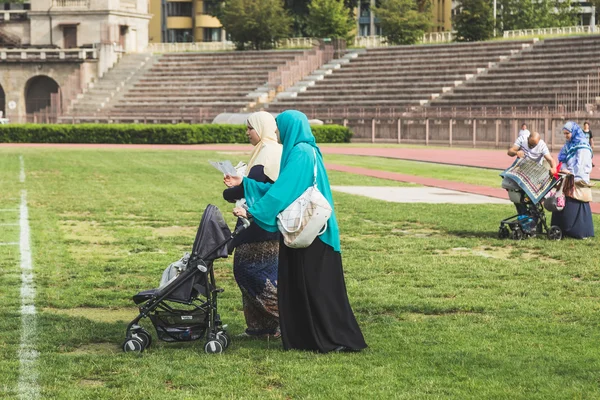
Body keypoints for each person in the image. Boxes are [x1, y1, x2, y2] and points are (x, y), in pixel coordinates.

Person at [225, 110, 367, 353]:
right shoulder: (305, 151)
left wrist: (253, 211)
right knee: (305, 286)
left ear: (290, 129)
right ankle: (310, 337)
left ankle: (333, 338)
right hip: (308, 233)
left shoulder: (301, 152)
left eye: (280, 129)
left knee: (318, 289)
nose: (278, 134)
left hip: (314, 235)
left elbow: (283, 190)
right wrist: (245, 183)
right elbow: (282, 186)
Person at [222, 111, 282, 338]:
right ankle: (261, 328)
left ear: (262, 128)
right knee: (254, 273)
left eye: (250, 128)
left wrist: (230, 191)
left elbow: (258, 187)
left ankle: (287, 319)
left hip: (260, 223)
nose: (247, 132)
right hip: (253, 219)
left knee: (252, 273)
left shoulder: (269, 153)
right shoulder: (263, 152)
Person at [551, 121, 595, 239]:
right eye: (564, 134)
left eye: (567, 133)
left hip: (578, 179)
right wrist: (565, 170)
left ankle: (577, 231)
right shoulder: (568, 145)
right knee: (560, 201)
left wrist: (572, 175)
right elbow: (563, 160)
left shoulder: (583, 146)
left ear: (574, 132)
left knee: (575, 202)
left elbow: (582, 165)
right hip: (567, 177)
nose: (566, 136)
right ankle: (561, 229)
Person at [505, 131, 557, 217]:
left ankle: (533, 218)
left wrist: (554, 168)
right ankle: (523, 216)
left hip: (534, 172)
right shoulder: (522, 139)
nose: (531, 147)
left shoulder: (542, 145)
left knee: (531, 198)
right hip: (521, 170)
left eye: (534, 145)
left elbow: (550, 160)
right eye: (530, 144)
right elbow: (510, 151)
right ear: (528, 138)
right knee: (517, 195)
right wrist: (516, 152)